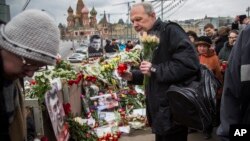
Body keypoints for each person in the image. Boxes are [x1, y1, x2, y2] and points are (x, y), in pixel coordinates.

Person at [121, 2, 200, 141]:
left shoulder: (170, 31)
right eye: (132, 21)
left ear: (153, 15)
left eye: (138, 19)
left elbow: (188, 65)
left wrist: (154, 69)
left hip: (174, 109)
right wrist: (133, 76)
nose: (135, 24)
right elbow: (151, 72)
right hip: (159, 109)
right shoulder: (148, 36)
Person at [0, 9, 60, 140]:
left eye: (37, 67)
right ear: (8, 47)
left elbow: (22, 117)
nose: (30, 74)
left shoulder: (11, 78)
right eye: (28, 62)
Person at [217, 25, 250, 141]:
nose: (232, 40)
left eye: (234, 37)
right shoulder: (247, 36)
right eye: (230, 37)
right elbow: (231, 95)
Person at [196, 36, 223, 139]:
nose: (201, 48)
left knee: (208, 109)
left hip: (210, 88)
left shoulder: (214, 58)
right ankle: (199, 126)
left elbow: (218, 75)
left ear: (208, 47)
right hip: (198, 86)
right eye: (199, 46)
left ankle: (208, 130)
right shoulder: (197, 56)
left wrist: (219, 89)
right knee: (199, 107)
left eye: (204, 46)